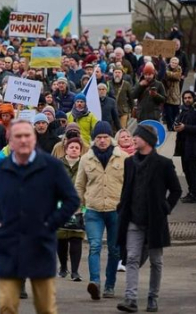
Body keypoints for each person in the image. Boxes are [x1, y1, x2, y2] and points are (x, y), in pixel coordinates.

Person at [0, 119, 80, 314]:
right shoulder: (2, 168)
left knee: (45, 308)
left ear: (34, 139)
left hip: (40, 244)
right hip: (9, 245)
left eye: (27, 135)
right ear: (10, 141)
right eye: (18, 136)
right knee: (7, 306)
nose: (23, 140)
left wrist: (50, 224)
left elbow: (71, 199)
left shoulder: (51, 167)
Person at [116, 125, 182, 313]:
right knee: (132, 258)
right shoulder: (130, 163)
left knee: (156, 261)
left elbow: (176, 190)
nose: (134, 139)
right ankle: (131, 299)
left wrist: (165, 208)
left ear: (148, 140)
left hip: (155, 221)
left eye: (138, 136)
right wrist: (122, 207)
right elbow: (126, 189)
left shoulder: (163, 164)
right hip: (133, 220)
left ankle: (153, 298)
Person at [75, 121, 127, 300]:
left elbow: (130, 185)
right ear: (94, 139)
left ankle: (110, 285)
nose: (102, 141)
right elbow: (79, 186)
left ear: (111, 138)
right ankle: (95, 283)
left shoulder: (124, 158)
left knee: (114, 250)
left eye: (105, 137)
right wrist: (80, 209)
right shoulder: (85, 159)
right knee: (95, 245)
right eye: (99, 138)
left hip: (116, 210)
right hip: (93, 210)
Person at [57, 137, 86, 282]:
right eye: (71, 147)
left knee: (76, 237)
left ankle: (75, 271)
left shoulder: (84, 163)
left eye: (77, 147)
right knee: (61, 239)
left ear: (80, 151)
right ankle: (63, 267)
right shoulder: (57, 164)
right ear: (66, 149)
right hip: (59, 205)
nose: (74, 149)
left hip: (79, 206)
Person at [174, 91, 196, 203]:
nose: (187, 100)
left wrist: (185, 127)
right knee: (186, 170)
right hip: (183, 145)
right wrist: (176, 126)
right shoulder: (184, 110)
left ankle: (194, 194)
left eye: (189, 98)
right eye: (185, 98)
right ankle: (190, 192)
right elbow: (178, 122)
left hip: (193, 145)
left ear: (193, 98)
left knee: (192, 170)